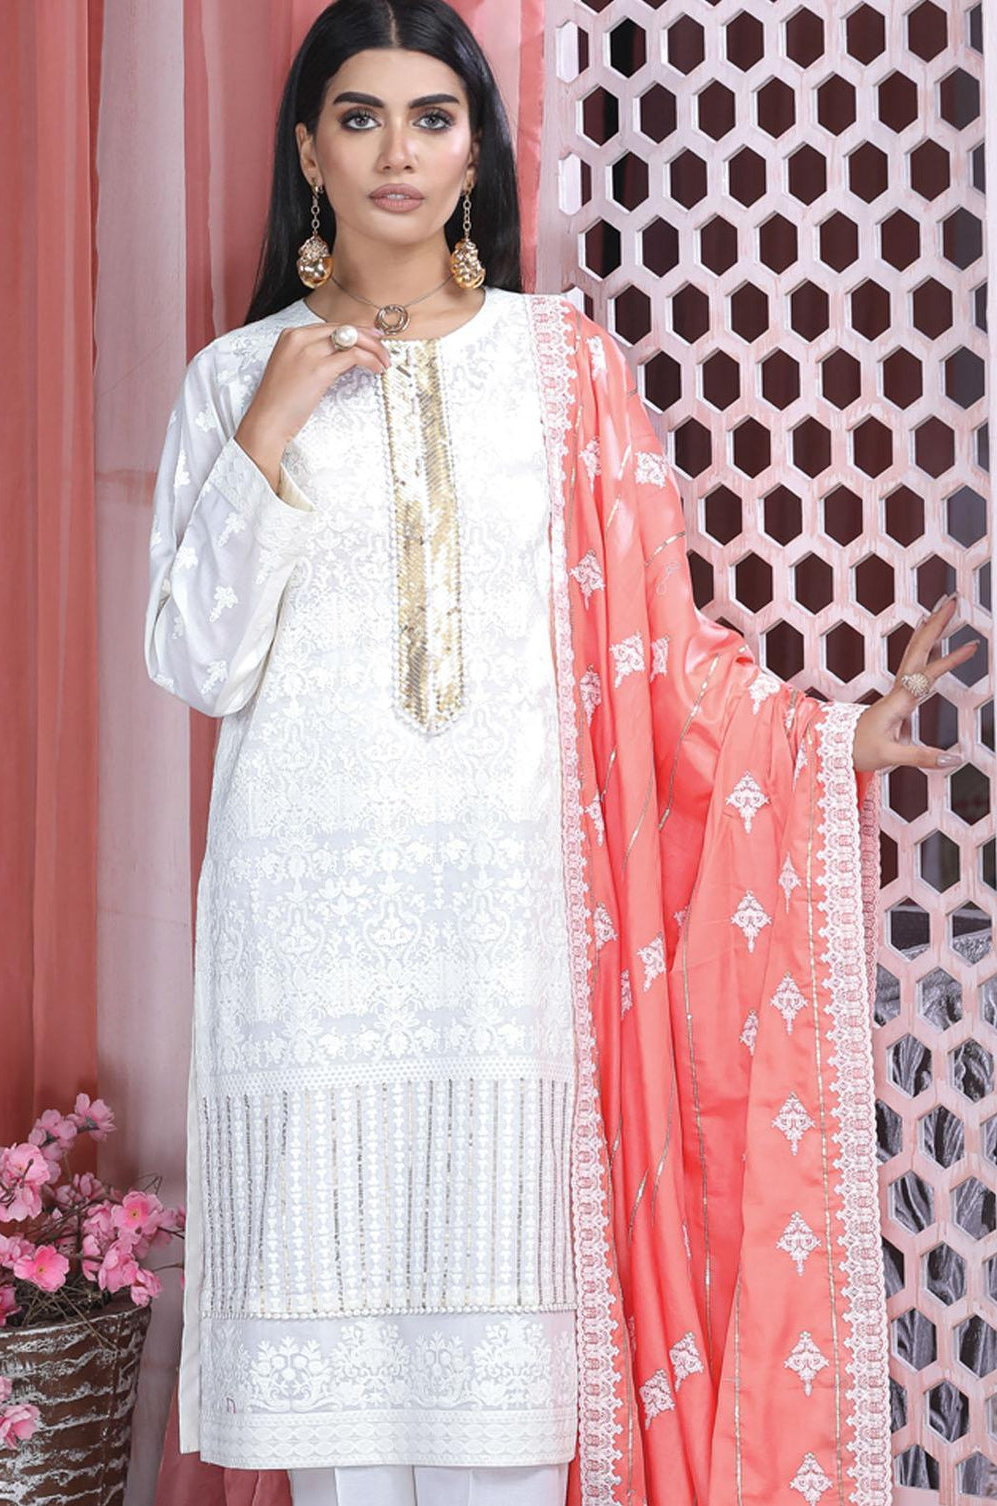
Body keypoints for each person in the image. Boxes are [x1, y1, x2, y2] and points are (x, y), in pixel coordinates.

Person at [143, 3, 977, 1503]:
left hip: (507, 959)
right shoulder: (230, 380)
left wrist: (837, 738)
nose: (397, 152)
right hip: (309, 964)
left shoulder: (563, 370)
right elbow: (199, 665)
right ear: (308, 153)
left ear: (477, 154)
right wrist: (270, 427)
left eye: (433, 118)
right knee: (345, 1461)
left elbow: (667, 653)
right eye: (359, 117)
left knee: (512, 1440)